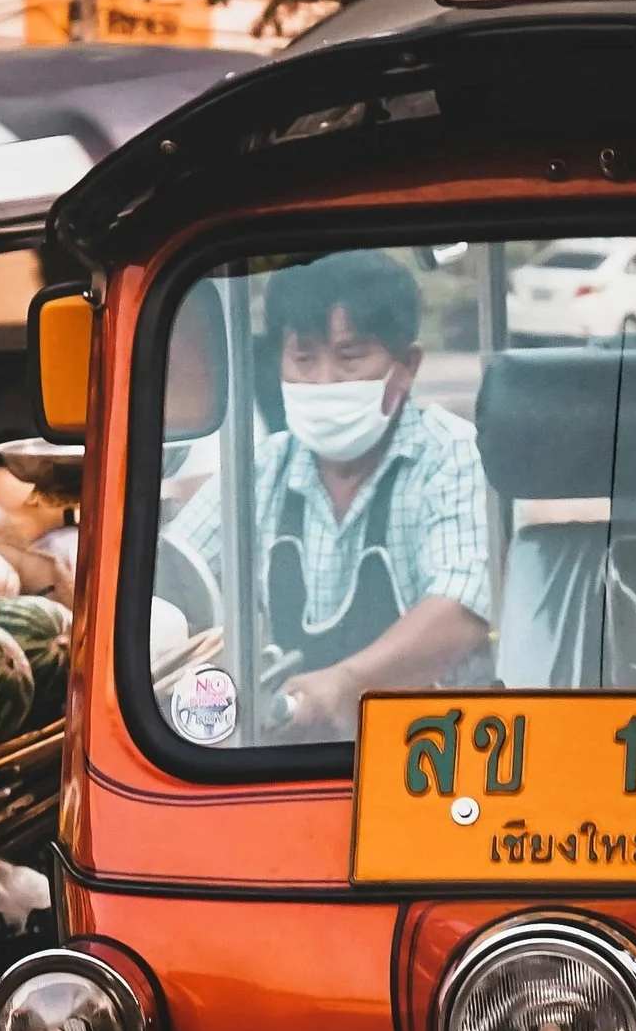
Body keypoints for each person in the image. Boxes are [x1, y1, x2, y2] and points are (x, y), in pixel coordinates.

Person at [169, 248, 491, 737]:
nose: (323, 381)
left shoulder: (450, 455)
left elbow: (461, 608)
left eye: (350, 357)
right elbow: (177, 574)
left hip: (435, 755)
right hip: (293, 756)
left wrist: (347, 683)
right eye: (303, 357)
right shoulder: (263, 468)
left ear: (406, 366)